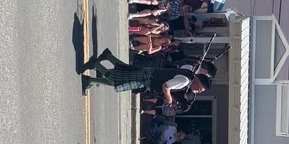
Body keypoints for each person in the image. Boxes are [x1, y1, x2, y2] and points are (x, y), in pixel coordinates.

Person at [80, 48, 211, 99]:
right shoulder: (185, 81)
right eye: (200, 89)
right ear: (198, 83)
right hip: (146, 78)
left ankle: (95, 74)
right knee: (117, 81)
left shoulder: (189, 75)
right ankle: (96, 64)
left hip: (149, 76)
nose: (198, 91)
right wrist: (169, 98)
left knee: (122, 71)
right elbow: (166, 86)